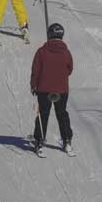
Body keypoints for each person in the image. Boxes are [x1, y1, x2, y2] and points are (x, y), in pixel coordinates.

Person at [30, 23, 73, 157]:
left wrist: (33, 85)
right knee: (62, 114)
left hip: (44, 89)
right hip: (61, 90)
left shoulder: (41, 51)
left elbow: (35, 70)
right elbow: (70, 69)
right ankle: (67, 141)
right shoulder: (66, 52)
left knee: (43, 114)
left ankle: (39, 141)